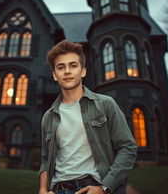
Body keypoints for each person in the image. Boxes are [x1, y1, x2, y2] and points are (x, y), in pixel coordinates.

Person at [38, 40, 137, 194]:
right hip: (59, 189)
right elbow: (45, 159)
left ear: (83, 71)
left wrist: (104, 187)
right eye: (61, 67)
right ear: (54, 75)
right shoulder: (48, 117)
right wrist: (43, 190)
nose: (67, 71)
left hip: (94, 187)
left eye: (73, 65)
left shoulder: (105, 104)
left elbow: (127, 148)